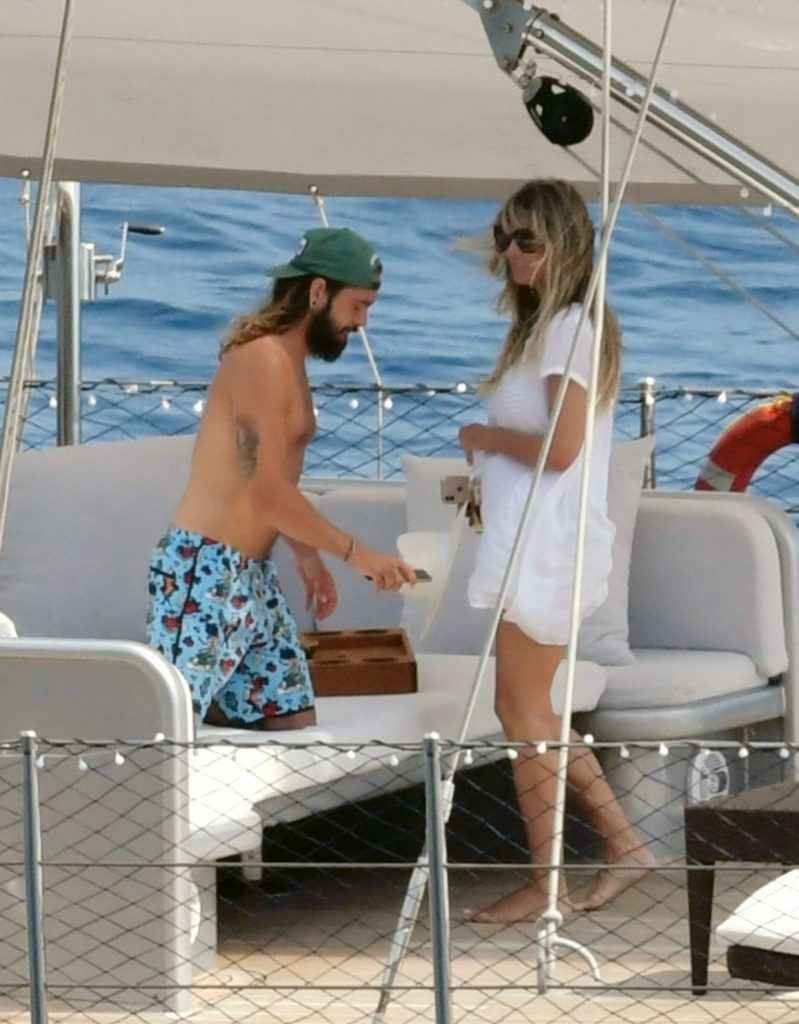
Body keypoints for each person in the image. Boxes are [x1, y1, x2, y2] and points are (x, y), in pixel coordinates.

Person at [458, 179, 655, 922]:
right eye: (504, 238)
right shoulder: (551, 328)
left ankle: (548, 884)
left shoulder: (570, 327)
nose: (511, 253)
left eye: (528, 241)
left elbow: (563, 449)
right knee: (529, 707)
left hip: (548, 545)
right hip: (535, 539)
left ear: (564, 246)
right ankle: (622, 849)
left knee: (521, 708)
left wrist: (484, 437)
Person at [147, 227, 416, 731]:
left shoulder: (290, 363)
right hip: (204, 573)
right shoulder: (262, 361)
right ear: (318, 292)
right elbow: (267, 493)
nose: (362, 323)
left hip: (250, 576)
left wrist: (307, 558)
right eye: (358, 306)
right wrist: (358, 555)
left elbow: (276, 480)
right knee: (167, 730)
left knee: (291, 722)